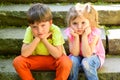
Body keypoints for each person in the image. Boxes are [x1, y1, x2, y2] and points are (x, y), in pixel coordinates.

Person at [13, 3, 72, 80]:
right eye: (34, 27)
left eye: (43, 25)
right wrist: (37, 38)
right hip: (35, 59)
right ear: (30, 26)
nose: (39, 30)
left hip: (53, 60)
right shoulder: (29, 30)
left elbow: (57, 55)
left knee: (66, 62)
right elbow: (24, 53)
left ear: (50, 23)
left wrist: (44, 40)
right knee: (17, 61)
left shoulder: (55, 30)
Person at [64, 3, 105, 80]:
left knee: (86, 62)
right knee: (72, 60)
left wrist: (84, 36)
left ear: (90, 22)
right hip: (78, 56)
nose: (79, 27)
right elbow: (75, 53)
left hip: (93, 56)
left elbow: (87, 54)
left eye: (83, 23)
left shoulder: (94, 33)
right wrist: (76, 37)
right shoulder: (71, 32)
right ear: (70, 24)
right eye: (75, 23)